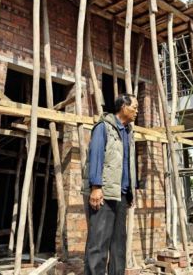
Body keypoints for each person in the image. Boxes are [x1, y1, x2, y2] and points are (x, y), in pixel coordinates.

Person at [83, 93, 138, 275]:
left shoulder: (128, 132)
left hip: (120, 194)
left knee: (118, 245)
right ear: (123, 107)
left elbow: (127, 164)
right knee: (98, 244)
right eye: (134, 107)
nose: (136, 111)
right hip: (104, 193)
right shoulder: (103, 127)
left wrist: (130, 192)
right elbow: (96, 156)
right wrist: (96, 187)